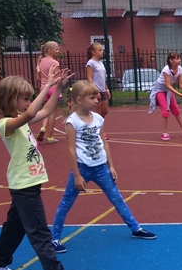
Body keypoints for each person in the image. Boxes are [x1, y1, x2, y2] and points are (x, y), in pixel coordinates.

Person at [0, 70, 96, 270]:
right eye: (25, 98)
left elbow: (46, 111)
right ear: (10, 99)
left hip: (27, 184)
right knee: (40, 234)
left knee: (14, 227)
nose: (29, 102)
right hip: (24, 186)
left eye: (30, 98)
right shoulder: (6, 124)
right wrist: (46, 85)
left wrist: (58, 87)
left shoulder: (22, 120)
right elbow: (30, 113)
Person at [50, 81, 156, 253]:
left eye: (96, 97)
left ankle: (135, 228)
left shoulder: (98, 119)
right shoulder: (72, 122)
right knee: (66, 202)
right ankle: (54, 238)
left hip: (101, 168)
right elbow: (71, 150)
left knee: (116, 198)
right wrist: (77, 175)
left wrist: (111, 166)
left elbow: (104, 143)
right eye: (92, 98)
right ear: (79, 100)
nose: (96, 100)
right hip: (83, 168)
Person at [148, 51, 182, 141]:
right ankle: (164, 133)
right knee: (165, 111)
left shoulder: (180, 69)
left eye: (179, 58)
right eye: (177, 59)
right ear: (171, 60)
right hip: (159, 90)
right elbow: (168, 85)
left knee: (176, 110)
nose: (179, 60)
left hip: (168, 90)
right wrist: (180, 95)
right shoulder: (166, 70)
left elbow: (181, 84)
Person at [35, 41, 64, 144]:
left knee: (45, 111)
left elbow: (38, 78)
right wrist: (62, 79)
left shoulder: (41, 61)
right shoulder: (54, 63)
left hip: (44, 89)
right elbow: (57, 78)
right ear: (50, 50)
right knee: (52, 113)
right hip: (53, 89)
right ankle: (50, 137)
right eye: (56, 49)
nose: (58, 51)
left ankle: (43, 128)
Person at [86, 42, 110, 139]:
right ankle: (98, 131)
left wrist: (107, 89)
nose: (102, 52)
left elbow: (102, 78)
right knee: (97, 112)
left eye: (102, 50)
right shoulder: (90, 63)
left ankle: (97, 128)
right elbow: (89, 77)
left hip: (103, 90)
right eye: (99, 50)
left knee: (105, 111)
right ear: (93, 52)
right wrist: (95, 91)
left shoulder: (100, 63)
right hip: (96, 90)